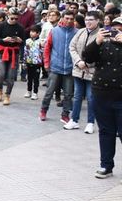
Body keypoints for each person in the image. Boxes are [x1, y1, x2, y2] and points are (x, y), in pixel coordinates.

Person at [82, 17, 122, 178]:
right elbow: (87, 57)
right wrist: (97, 41)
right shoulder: (102, 43)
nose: (116, 32)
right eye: (113, 29)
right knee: (105, 131)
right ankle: (106, 165)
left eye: (120, 29)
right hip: (101, 94)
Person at [64, 10, 101, 133]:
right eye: (86, 20)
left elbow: (101, 54)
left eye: (91, 20)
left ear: (97, 21)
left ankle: (90, 122)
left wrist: (88, 64)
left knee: (91, 97)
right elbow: (72, 47)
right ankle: (74, 120)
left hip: (92, 72)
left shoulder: (101, 34)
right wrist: (78, 61)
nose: (88, 22)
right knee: (77, 96)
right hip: (78, 70)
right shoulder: (80, 32)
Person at [39, 10, 78, 122]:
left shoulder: (76, 32)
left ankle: (65, 114)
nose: (69, 21)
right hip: (55, 66)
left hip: (70, 68)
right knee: (49, 91)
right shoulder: (54, 31)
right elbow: (47, 48)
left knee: (68, 94)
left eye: (71, 18)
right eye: (67, 18)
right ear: (62, 18)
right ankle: (43, 110)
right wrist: (46, 63)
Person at [0, 7, 26, 106]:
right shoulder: (1, 25)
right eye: (12, 18)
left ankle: (7, 95)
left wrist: (19, 40)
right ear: (8, 16)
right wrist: (4, 40)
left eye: (16, 19)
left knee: (11, 76)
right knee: (1, 74)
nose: (14, 20)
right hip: (2, 51)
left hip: (14, 53)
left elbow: (23, 41)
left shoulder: (20, 27)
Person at [23, 25, 44, 100]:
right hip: (29, 61)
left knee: (36, 78)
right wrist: (24, 61)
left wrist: (42, 61)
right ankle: (29, 91)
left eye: (33, 32)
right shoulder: (27, 41)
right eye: (31, 31)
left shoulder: (40, 42)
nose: (31, 33)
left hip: (37, 63)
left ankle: (35, 92)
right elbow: (26, 51)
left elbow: (42, 52)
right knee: (29, 77)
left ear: (38, 33)